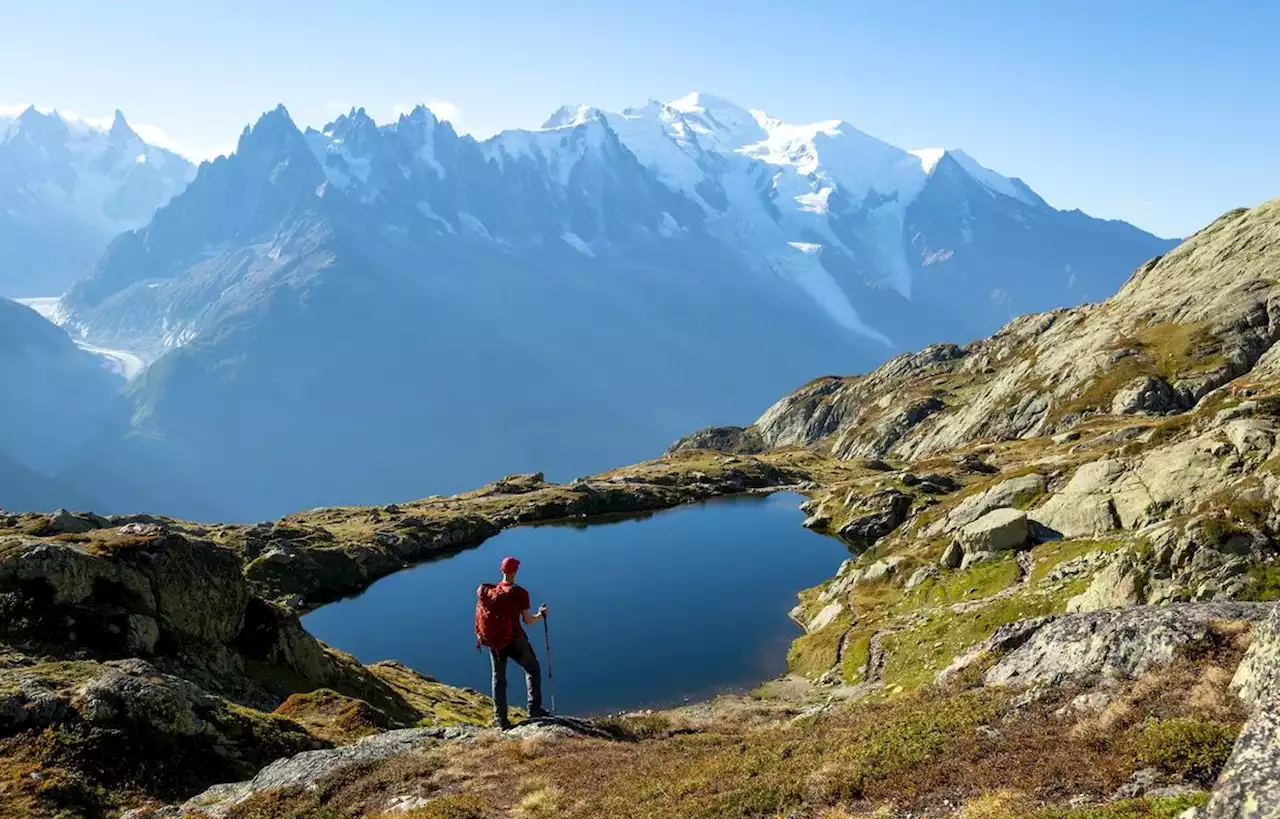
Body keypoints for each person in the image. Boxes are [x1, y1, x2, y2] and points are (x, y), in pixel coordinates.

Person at [486, 556, 549, 729]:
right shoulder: (520, 593)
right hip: (514, 640)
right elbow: (528, 621)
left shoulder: (492, 592)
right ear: (515, 571)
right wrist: (541, 614)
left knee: (498, 678)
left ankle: (501, 719)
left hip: (495, 641)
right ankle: (534, 709)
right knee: (532, 669)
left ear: (502, 570)